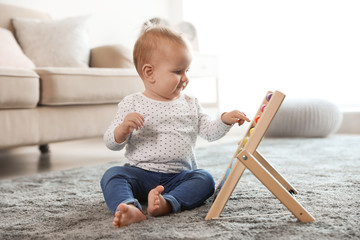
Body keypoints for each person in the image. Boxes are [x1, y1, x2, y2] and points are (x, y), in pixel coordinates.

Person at [100, 22, 250, 228]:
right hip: (140, 175)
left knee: (205, 179)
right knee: (113, 175)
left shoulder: (190, 103)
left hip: (179, 177)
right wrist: (123, 129)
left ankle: (167, 203)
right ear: (149, 73)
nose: (186, 78)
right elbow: (110, 142)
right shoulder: (131, 103)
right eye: (178, 71)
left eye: (187, 70)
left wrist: (224, 120)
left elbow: (208, 132)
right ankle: (129, 207)